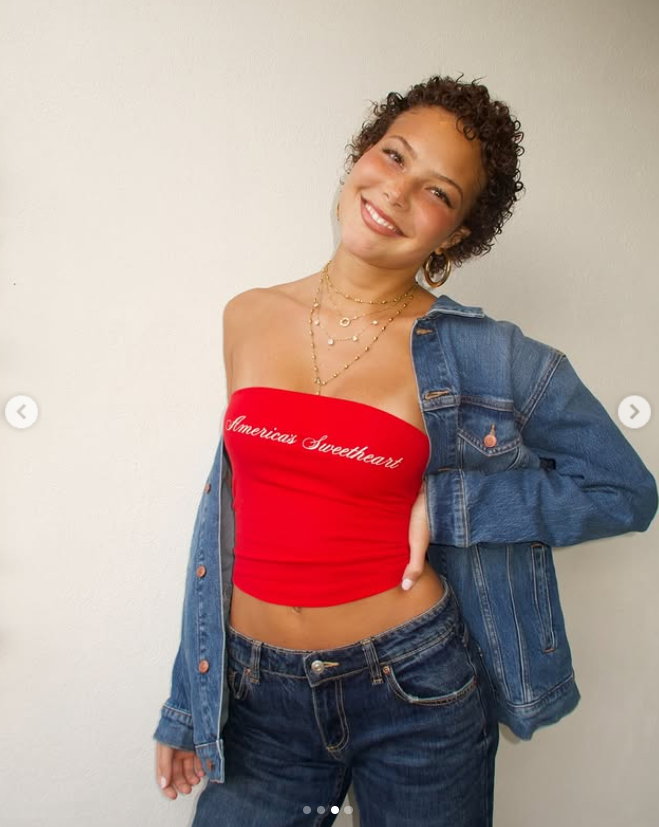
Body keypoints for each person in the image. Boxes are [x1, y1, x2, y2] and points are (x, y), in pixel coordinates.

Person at [152, 75, 658, 826]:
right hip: (255, 694)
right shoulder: (249, 315)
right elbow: (230, 518)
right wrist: (186, 701)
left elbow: (626, 490)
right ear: (360, 154)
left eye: (437, 192)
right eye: (393, 156)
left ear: (453, 233)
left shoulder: (491, 355)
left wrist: (451, 503)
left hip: (414, 689)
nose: (395, 192)